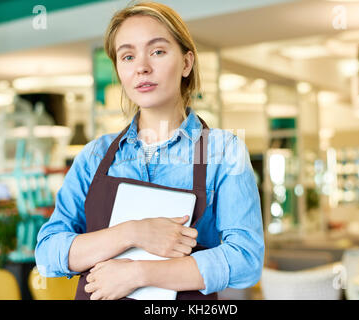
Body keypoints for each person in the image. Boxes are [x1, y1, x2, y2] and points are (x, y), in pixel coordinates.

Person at [35, 1, 264, 300]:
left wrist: (137, 273)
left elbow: (246, 260)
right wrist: (132, 233)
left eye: (157, 51)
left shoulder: (223, 152)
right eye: (127, 56)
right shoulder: (94, 156)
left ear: (186, 63)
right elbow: (48, 252)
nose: (142, 67)